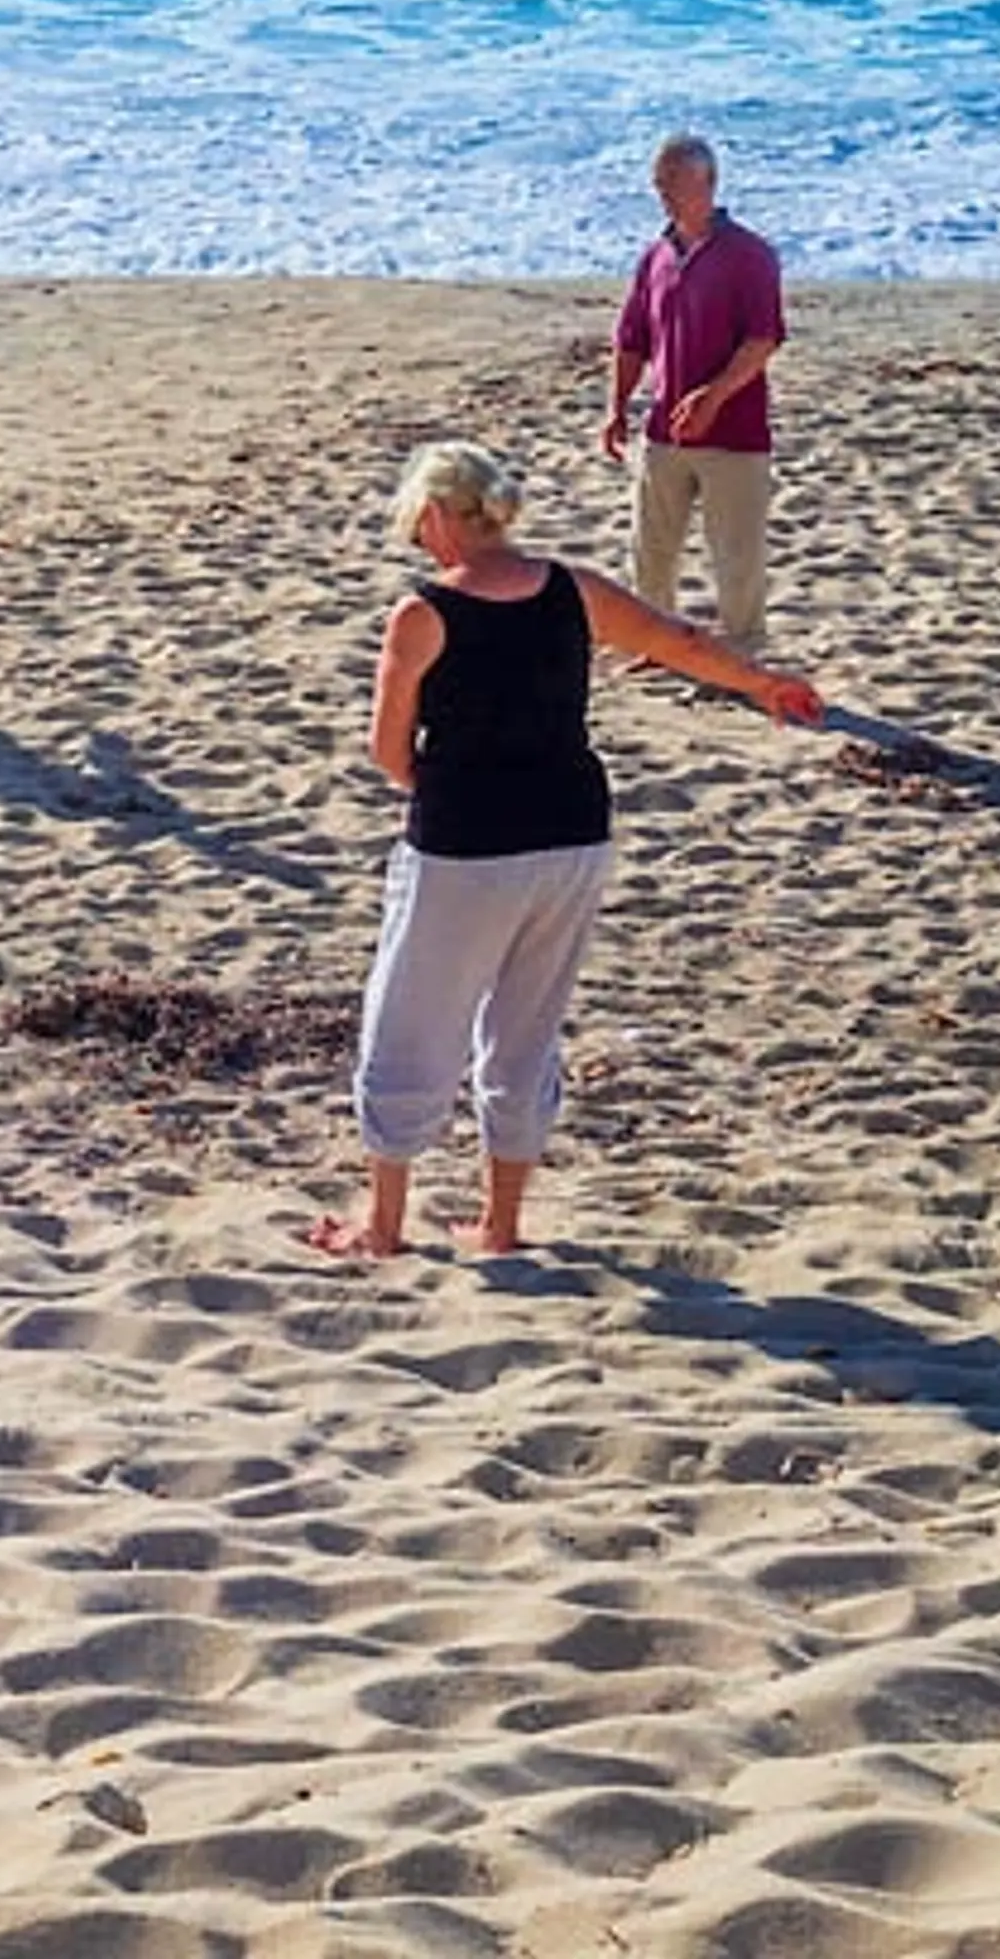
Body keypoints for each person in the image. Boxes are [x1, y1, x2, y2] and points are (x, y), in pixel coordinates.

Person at [309, 440, 824, 1264]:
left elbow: (388, 753)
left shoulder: (424, 613)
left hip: (465, 844)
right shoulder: (572, 589)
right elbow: (676, 640)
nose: (419, 539)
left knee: (409, 1022)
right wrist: (764, 684)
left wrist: (440, 789)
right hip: (572, 829)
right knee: (525, 1029)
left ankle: (382, 1228)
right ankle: (501, 1227)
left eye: (418, 523)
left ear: (440, 516)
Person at [602, 132, 786, 648]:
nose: (662, 192)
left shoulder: (749, 255)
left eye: (673, 182)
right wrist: (616, 408)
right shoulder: (655, 256)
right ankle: (655, 645)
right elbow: (631, 339)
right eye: (659, 183)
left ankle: (745, 653)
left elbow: (762, 339)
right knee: (652, 548)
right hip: (663, 432)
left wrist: (713, 396)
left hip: (736, 435)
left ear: (706, 182)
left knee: (737, 555)